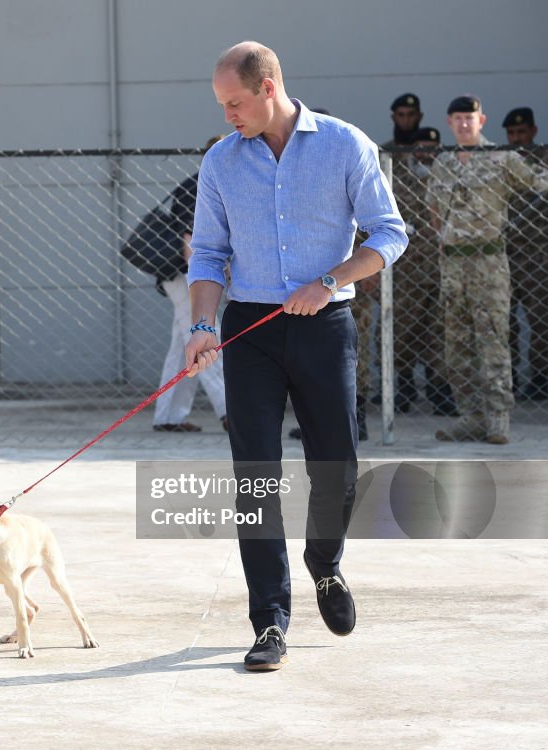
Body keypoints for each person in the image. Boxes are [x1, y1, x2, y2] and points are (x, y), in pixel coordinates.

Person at [185, 42, 407, 671]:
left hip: (324, 322)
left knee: (335, 461)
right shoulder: (221, 162)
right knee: (255, 472)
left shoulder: (344, 145)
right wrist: (202, 323)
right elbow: (207, 255)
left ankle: (325, 565)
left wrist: (331, 280)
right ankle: (270, 619)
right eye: (222, 104)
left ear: (269, 86)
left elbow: (389, 233)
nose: (228, 115)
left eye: (235, 102)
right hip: (248, 329)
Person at [427, 95, 548, 444]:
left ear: (482, 121)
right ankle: (471, 415)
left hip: (489, 259)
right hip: (452, 261)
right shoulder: (443, 163)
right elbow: (434, 210)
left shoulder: (503, 159)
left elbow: (538, 183)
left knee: (493, 339)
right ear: (450, 122)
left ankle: (498, 418)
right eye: (459, 118)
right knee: (456, 343)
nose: (465, 124)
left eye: (471, 118)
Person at [152, 138, 228, 433]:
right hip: (185, 274)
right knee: (208, 337)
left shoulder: (208, 183)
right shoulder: (197, 186)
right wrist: (200, 281)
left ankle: (168, 416)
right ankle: (229, 411)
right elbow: (189, 243)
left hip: (185, 273)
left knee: (181, 345)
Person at [387, 126, 457, 416]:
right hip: (408, 271)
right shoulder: (398, 180)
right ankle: (403, 389)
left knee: (439, 333)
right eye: (421, 146)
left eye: (432, 146)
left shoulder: (450, 180)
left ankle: (440, 391)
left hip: (442, 270)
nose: (426, 152)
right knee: (402, 331)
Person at [501, 107, 548, 401]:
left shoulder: (544, 162)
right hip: (506, 250)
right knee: (504, 319)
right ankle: (511, 376)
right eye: (512, 134)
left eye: (522, 132)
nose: (518, 138)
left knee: (540, 316)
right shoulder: (503, 161)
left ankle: (541, 375)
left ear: (533, 131)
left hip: (538, 251)